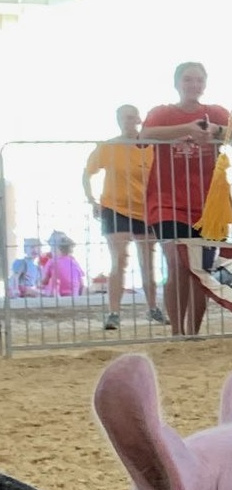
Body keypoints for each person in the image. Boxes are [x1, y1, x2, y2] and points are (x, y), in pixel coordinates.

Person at [141, 62, 232, 337]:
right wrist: (187, 127)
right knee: (176, 263)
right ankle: (177, 332)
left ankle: (193, 332)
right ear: (177, 83)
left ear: (205, 84)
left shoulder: (216, 112)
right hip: (167, 200)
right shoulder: (161, 112)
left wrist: (215, 131)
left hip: (208, 205)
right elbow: (145, 135)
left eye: (198, 80)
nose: (193, 85)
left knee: (201, 269)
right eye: (188, 79)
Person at [83, 104, 162, 331]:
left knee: (148, 261)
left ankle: (153, 308)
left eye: (132, 117)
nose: (129, 121)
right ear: (118, 120)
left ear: (139, 119)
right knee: (119, 259)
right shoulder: (108, 147)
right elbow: (87, 174)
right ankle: (114, 312)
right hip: (115, 207)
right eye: (124, 117)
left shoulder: (150, 147)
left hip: (145, 209)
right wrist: (92, 200)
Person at [38, 233, 85, 298]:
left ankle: (54, 294)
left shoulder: (52, 261)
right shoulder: (74, 262)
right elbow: (81, 284)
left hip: (58, 294)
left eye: (51, 247)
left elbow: (44, 281)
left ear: (56, 248)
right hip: (73, 295)